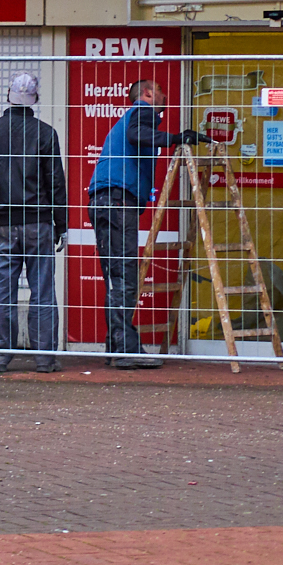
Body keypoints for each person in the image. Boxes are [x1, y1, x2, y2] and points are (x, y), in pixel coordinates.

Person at [85, 78, 205, 369]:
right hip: (116, 201)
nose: (165, 95)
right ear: (148, 93)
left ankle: (118, 347)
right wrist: (176, 138)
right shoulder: (142, 110)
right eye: (161, 90)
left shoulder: (128, 118)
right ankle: (126, 350)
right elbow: (138, 134)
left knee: (116, 279)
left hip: (103, 200)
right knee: (124, 277)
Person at [0, 71, 66, 373]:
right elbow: (56, 182)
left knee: (4, 290)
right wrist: (61, 224)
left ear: (9, 96)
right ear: (35, 99)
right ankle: (45, 358)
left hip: (4, 223)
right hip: (39, 222)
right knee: (43, 290)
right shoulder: (46, 133)